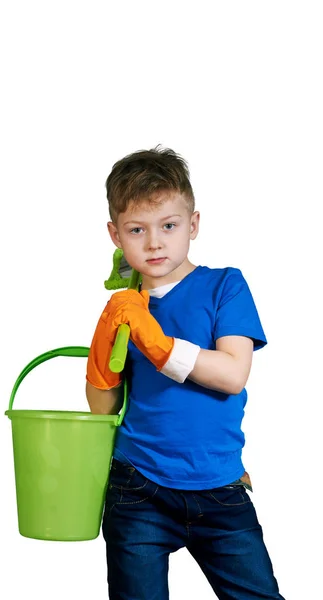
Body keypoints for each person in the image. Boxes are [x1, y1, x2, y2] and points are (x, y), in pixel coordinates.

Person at [85, 146, 284, 600]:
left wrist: (158, 343)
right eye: (137, 229)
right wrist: (104, 340)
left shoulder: (225, 285)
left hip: (218, 486)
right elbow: (103, 408)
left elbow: (234, 374)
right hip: (137, 487)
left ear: (193, 225)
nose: (154, 242)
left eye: (169, 226)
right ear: (116, 235)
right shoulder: (125, 307)